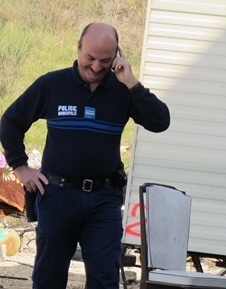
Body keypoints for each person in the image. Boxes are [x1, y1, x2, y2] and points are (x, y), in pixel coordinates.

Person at [0, 22, 170, 289]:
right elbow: (10, 121)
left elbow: (161, 122)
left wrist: (132, 84)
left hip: (104, 201)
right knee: (48, 278)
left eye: (105, 60)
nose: (95, 66)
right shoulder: (52, 84)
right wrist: (21, 167)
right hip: (58, 196)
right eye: (89, 58)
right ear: (78, 48)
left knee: (104, 279)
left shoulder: (122, 90)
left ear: (117, 57)